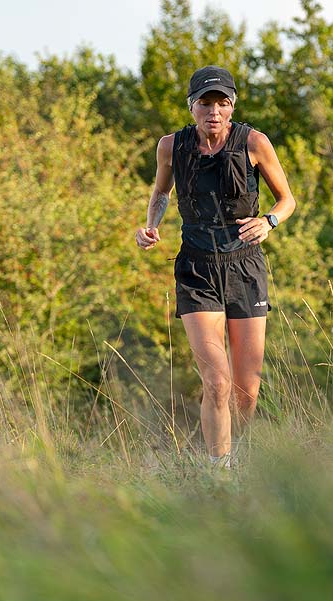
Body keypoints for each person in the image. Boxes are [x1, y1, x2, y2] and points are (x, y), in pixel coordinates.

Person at [135, 65, 296, 469]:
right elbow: (160, 191)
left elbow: (287, 200)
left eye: (222, 103)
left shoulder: (255, 142)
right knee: (217, 381)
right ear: (192, 107)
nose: (214, 111)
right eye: (205, 103)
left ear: (232, 106)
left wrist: (269, 221)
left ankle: (237, 456)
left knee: (246, 390)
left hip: (245, 267)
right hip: (197, 269)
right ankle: (217, 471)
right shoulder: (171, 147)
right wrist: (150, 226)